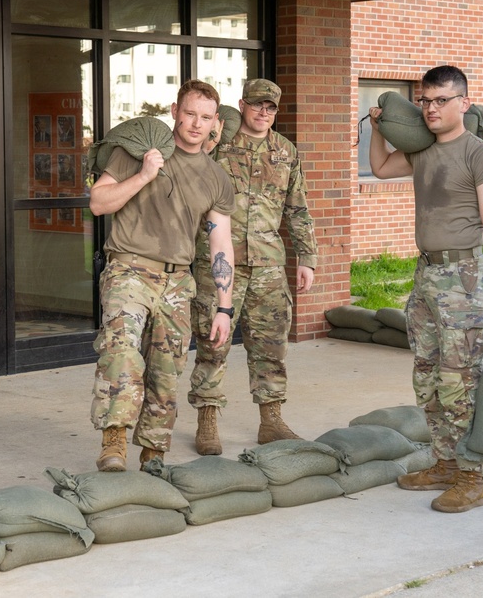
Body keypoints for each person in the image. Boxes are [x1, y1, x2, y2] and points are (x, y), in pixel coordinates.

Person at [367, 65, 483, 513]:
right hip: (426, 276)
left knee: (458, 379)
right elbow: (380, 166)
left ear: (463, 104)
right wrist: (376, 129)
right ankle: (445, 463)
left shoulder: (479, 154)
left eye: (441, 100)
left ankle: (472, 477)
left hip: (464, 278)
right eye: (425, 100)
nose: (430, 108)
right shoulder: (424, 150)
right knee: (427, 377)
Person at [89, 80, 236, 472]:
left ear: (215, 122)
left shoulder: (217, 178)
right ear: (174, 111)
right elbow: (98, 203)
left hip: (177, 281)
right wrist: (143, 175)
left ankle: (153, 453)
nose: (195, 124)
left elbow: (220, 243)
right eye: (189, 114)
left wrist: (225, 307)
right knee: (120, 350)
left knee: (166, 370)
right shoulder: (137, 151)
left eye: (205, 118)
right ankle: (114, 441)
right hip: (129, 268)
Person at [188, 79, 318, 455]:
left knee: (271, 346)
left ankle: (271, 421)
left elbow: (297, 208)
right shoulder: (218, 145)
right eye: (258, 105)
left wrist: (306, 258)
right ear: (242, 105)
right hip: (219, 264)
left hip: (268, 265)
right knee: (214, 343)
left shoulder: (285, 151)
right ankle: (207, 419)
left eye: (272, 107)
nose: (264, 113)